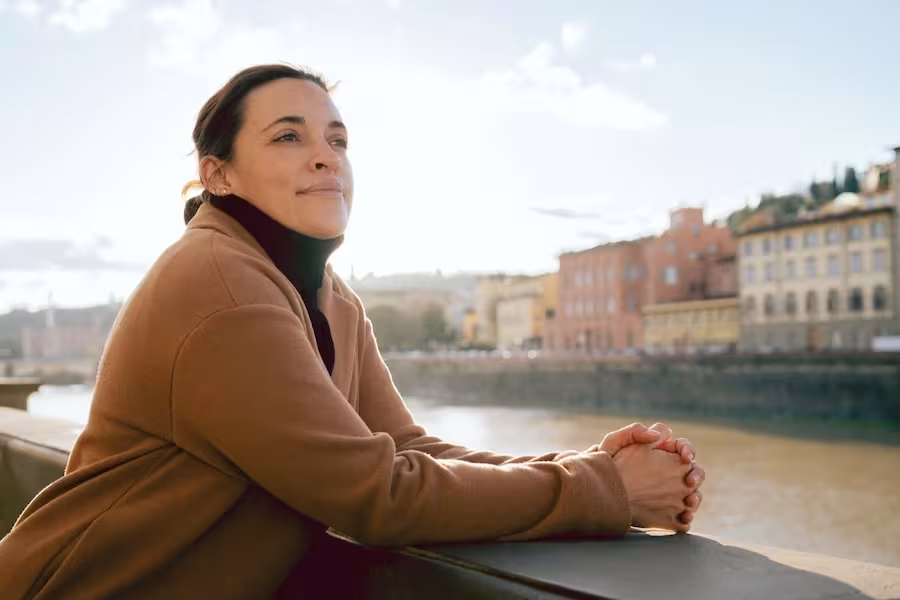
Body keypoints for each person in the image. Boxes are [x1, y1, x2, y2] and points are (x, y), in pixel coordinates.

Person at [0, 64, 705, 599]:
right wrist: (603, 491)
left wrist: (585, 465)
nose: (325, 155)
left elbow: (406, 446)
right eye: (288, 136)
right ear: (218, 174)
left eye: (337, 139)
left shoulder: (323, 292)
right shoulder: (223, 290)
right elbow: (378, 497)